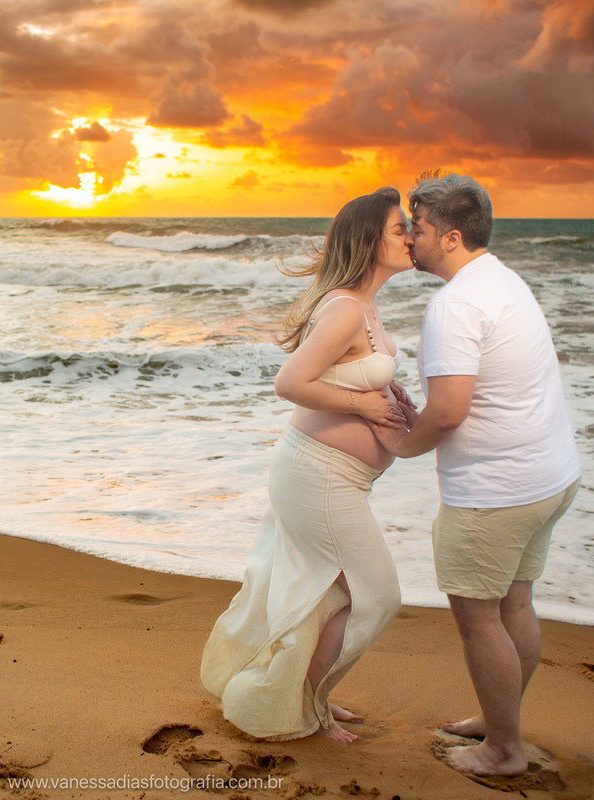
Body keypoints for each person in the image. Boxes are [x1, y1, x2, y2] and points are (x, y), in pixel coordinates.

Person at [201, 187, 417, 743]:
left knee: (332, 595)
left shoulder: (363, 304)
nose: (412, 236)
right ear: (370, 240)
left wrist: (391, 397)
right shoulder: (346, 309)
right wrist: (362, 405)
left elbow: (347, 373)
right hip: (319, 475)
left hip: (334, 477)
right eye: (400, 229)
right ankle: (307, 707)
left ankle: (307, 694)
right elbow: (290, 382)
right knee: (376, 596)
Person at [383, 173, 581, 776]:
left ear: (449, 237)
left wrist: (401, 446)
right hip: (549, 477)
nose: (409, 239)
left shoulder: (455, 305)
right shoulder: (501, 279)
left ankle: (502, 750)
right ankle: (500, 722)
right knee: (515, 605)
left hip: (495, 493)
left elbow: (448, 412)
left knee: (478, 620)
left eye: (417, 229)